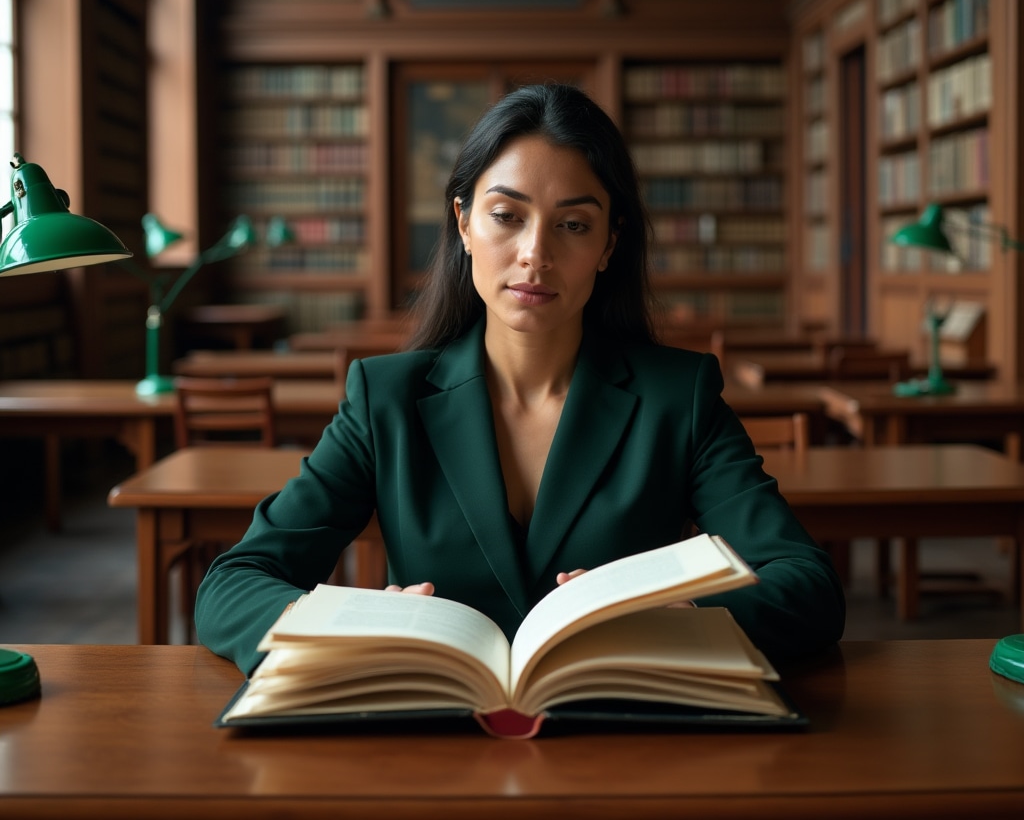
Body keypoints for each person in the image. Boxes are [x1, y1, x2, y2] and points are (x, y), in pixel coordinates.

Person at [195, 83, 845, 676]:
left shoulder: (680, 397)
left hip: (624, 743)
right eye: (507, 216)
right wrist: (348, 631)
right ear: (463, 225)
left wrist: (691, 624)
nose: (536, 253)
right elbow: (235, 582)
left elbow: (807, 584)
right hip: (430, 744)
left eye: (572, 225)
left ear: (609, 245)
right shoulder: (385, 400)